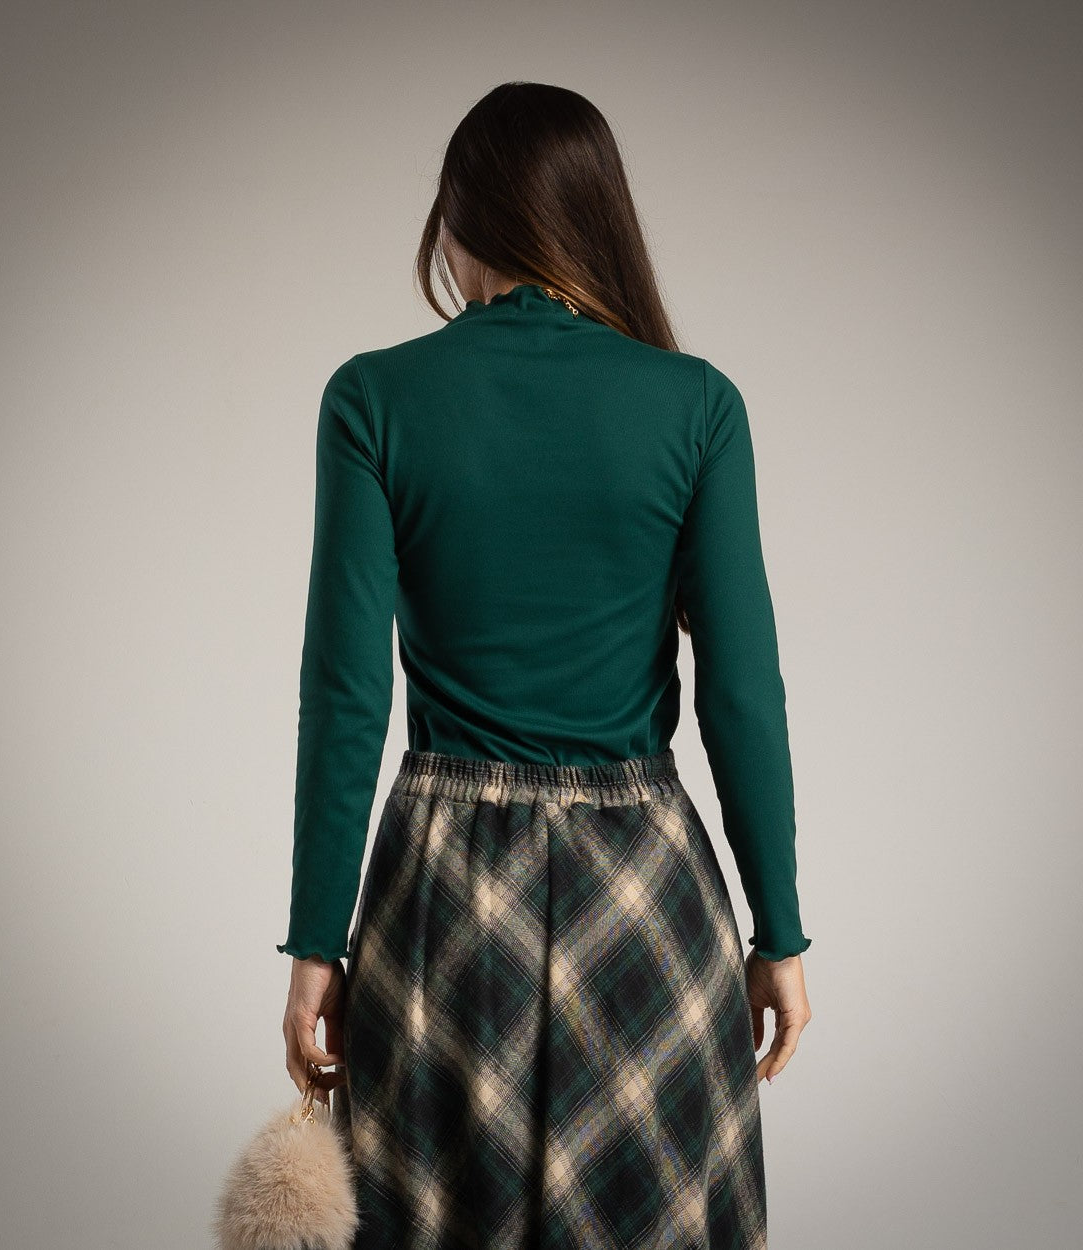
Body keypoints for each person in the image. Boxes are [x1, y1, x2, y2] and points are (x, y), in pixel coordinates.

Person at [276, 80, 813, 1249]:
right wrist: (776, 931)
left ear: (456, 223)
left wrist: (316, 942)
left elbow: (345, 695)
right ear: (594, 218)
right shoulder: (696, 406)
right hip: (646, 908)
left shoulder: (373, 398)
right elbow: (739, 693)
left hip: (440, 907)